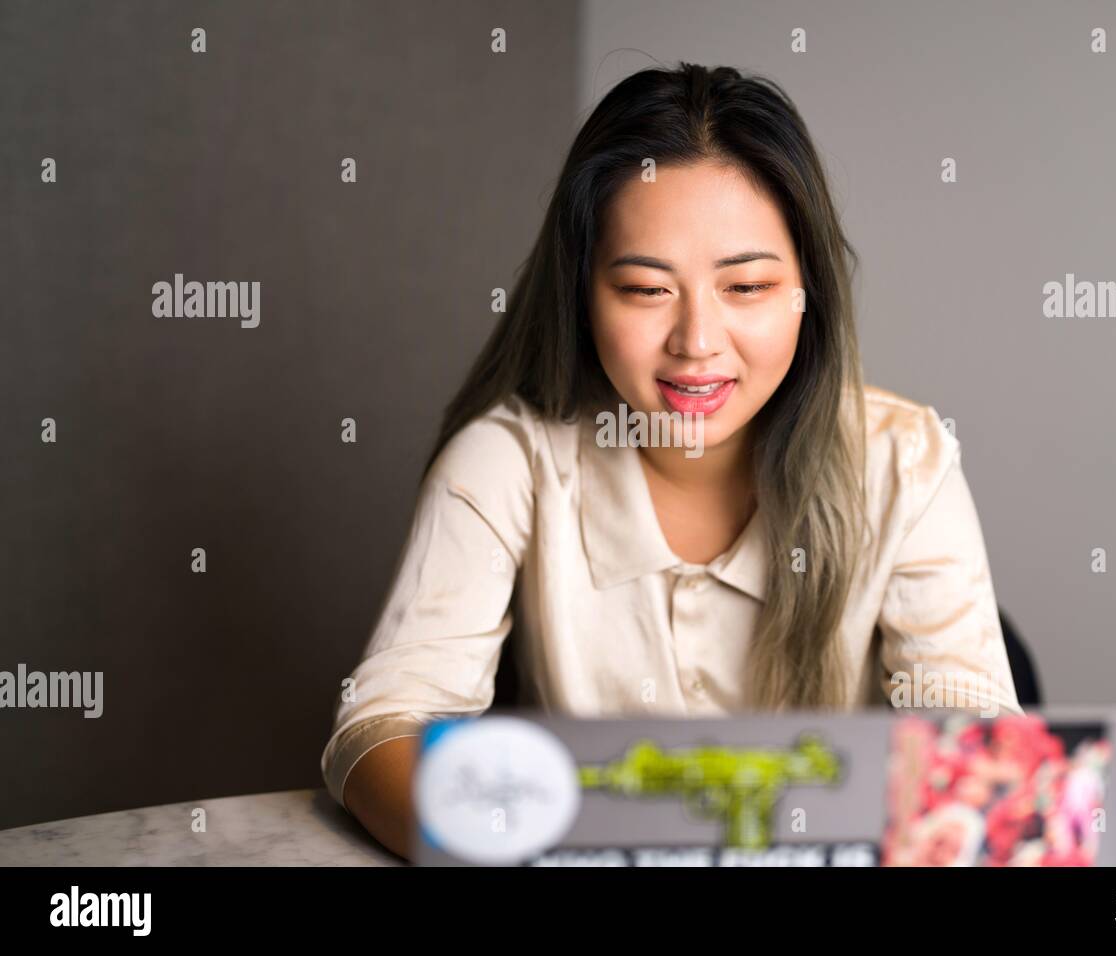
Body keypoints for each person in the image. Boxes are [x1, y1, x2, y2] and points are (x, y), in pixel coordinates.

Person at [321, 62, 1022, 861]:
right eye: (647, 289)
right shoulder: (507, 461)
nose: (696, 342)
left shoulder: (903, 462)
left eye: (748, 286)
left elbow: (983, 755)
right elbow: (379, 727)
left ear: (809, 294)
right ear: (582, 294)